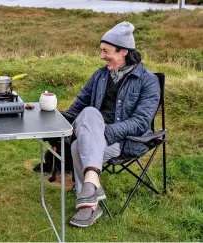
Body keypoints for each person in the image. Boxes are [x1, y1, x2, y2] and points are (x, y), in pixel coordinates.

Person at [66, 22, 161, 227]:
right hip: (94, 134)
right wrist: (54, 116)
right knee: (88, 113)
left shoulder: (148, 81)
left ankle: (89, 202)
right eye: (101, 51)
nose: (101, 56)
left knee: (77, 145)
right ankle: (91, 192)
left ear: (124, 51)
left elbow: (140, 122)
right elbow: (77, 107)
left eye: (106, 51)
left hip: (125, 140)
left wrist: (103, 133)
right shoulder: (100, 75)